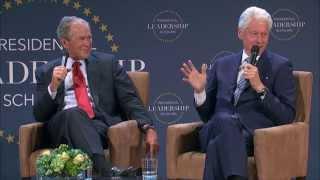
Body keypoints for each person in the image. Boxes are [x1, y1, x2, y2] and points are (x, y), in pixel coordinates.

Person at [33, 16, 158, 176]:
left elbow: (130, 99)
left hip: (98, 127)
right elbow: (39, 114)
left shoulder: (108, 64)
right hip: (61, 129)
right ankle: (108, 174)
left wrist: (148, 128)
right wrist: (53, 87)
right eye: (82, 39)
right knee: (74, 113)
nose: (88, 43)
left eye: (89, 38)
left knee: (85, 123)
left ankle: (102, 172)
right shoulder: (47, 71)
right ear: (65, 43)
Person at [181, 6, 295, 180]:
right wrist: (200, 91)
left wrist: (260, 88)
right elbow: (206, 114)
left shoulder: (280, 66)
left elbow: (287, 116)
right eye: (254, 34)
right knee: (225, 120)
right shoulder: (222, 64)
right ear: (240, 33)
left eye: (264, 34)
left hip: (252, 138)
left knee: (216, 145)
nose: (259, 40)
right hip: (215, 128)